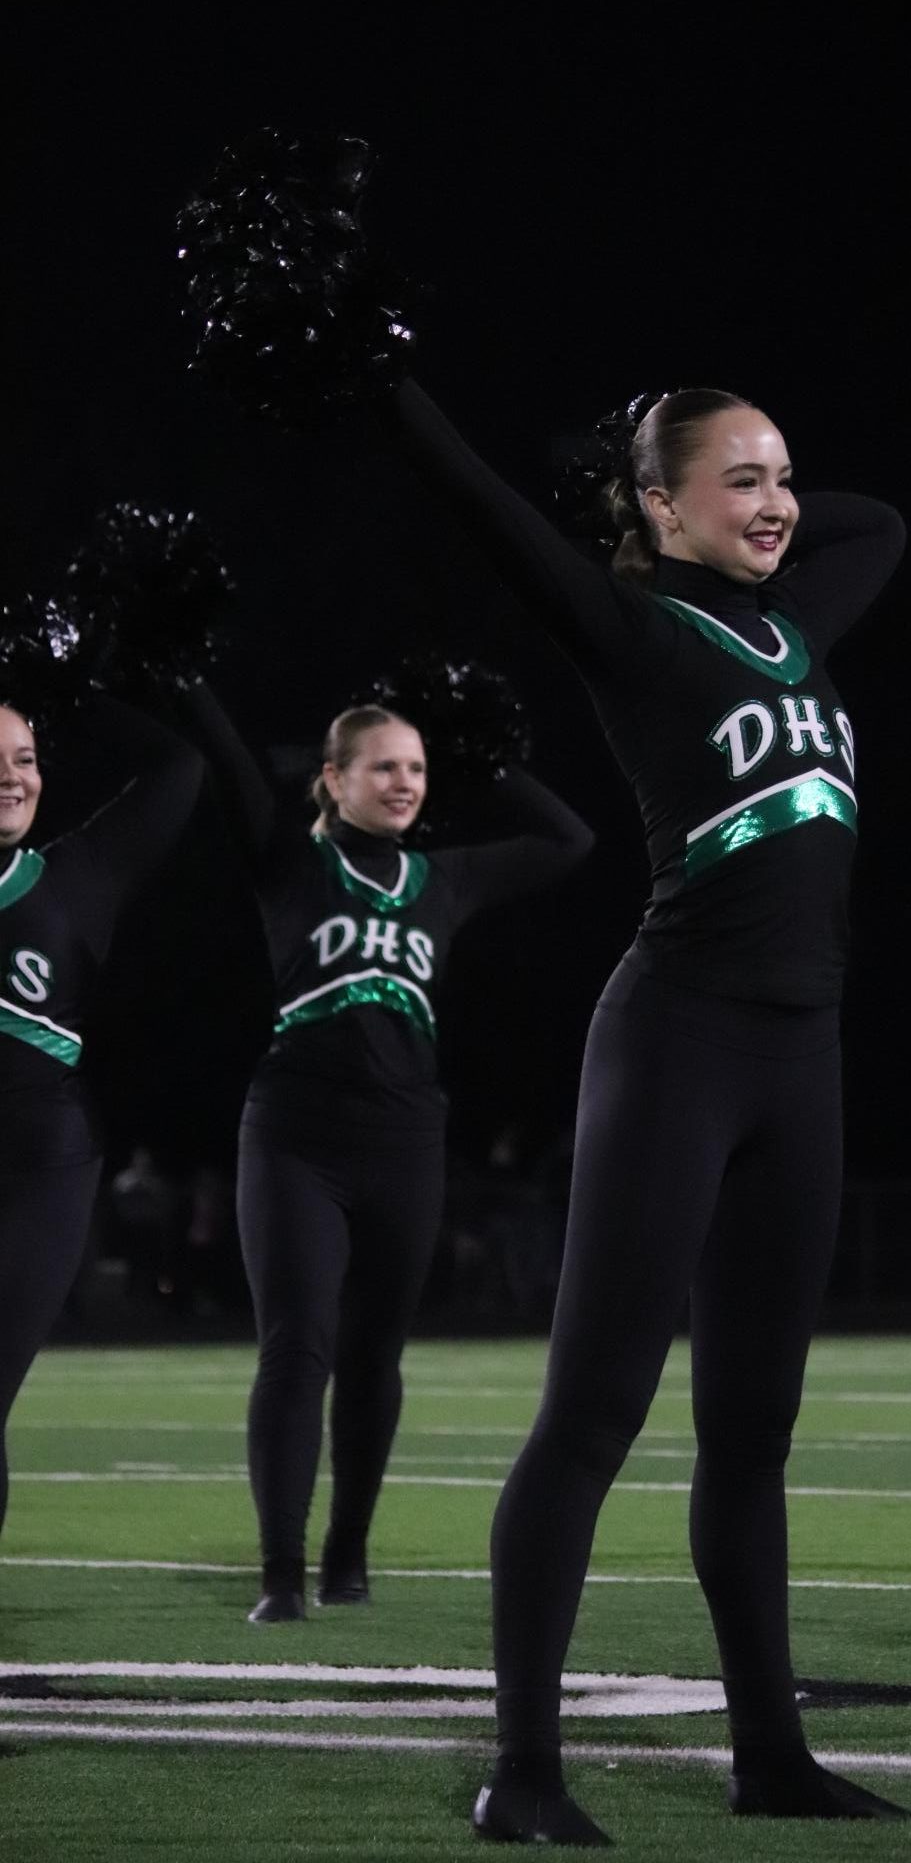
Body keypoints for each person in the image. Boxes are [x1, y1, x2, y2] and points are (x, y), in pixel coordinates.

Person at [387, 379, 908, 1843]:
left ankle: (769, 1755)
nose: (776, 503)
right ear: (658, 507)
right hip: (676, 1044)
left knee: (753, 1430)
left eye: (781, 476)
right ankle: (526, 1773)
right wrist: (392, 382)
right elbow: (487, 516)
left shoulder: (796, 620)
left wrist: (744, 491)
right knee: (593, 1414)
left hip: (803, 1059)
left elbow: (881, 522)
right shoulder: (631, 630)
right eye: (735, 480)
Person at [182, 681, 592, 1622]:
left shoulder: (441, 879)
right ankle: (280, 1573)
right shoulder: (289, 858)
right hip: (294, 1134)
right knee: (297, 1348)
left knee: (374, 1353)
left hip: (405, 1139)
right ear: (334, 778)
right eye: (385, 767)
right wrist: (194, 682)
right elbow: (231, 763)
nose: (406, 783)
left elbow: (571, 840)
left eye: (417, 767)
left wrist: (487, 752)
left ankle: (347, 1554)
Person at [0, 694, 203, 1534]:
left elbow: (179, 766)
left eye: (24, 757)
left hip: (37, 1172)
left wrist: (76, 686)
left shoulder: (75, 874)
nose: (12, 779)